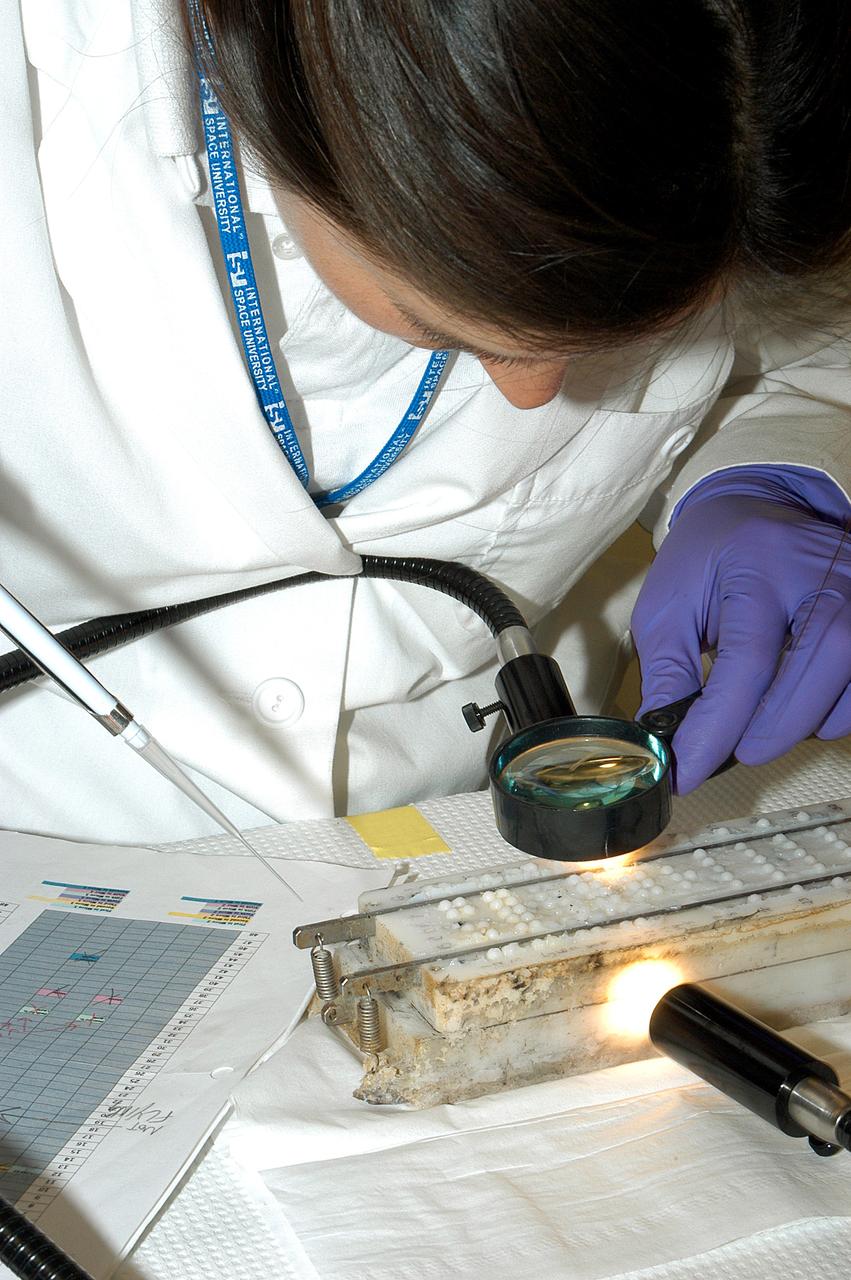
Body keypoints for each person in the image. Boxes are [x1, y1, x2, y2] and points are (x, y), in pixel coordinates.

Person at [2, 0, 849, 844]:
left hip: (467, 821)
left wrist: (770, 472)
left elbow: (794, 349)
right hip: (54, 834)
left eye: (636, 336)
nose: (535, 397)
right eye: (436, 322)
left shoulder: (745, 91)